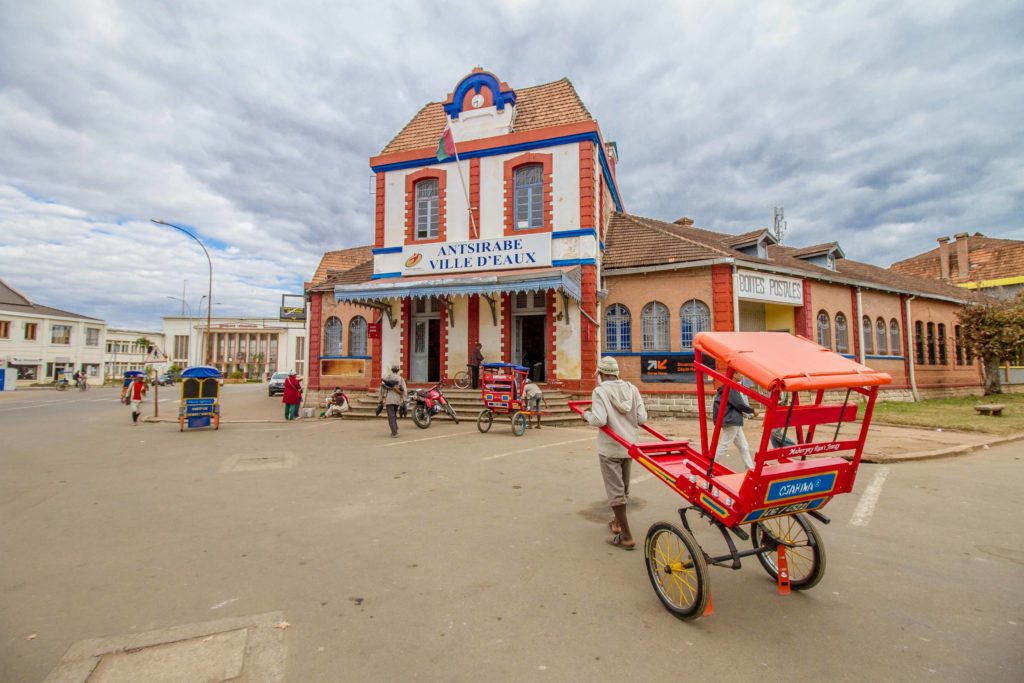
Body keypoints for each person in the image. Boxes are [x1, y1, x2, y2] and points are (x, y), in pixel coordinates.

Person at [583, 356, 648, 551]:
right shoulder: (632, 389)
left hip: (610, 448)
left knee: (615, 490)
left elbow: (599, 420)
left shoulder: (600, 391)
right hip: (629, 446)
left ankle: (626, 536)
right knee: (623, 487)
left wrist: (585, 414)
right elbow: (642, 418)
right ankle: (617, 522)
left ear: (601, 373)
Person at [712, 378, 758, 470]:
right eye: (738, 373)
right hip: (731, 420)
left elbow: (735, 405)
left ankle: (751, 468)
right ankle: (710, 466)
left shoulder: (726, 387)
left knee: (743, 446)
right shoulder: (731, 387)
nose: (741, 376)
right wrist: (752, 410)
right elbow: (739, 404)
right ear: (734, 374)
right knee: (724, 445)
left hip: (731, 419)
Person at [378, 364, 407, 438]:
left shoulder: (387, 377)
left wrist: (380, 400)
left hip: (389, 399)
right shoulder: (401, 379)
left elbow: (382, 389)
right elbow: (404, 391)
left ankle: (394, 432)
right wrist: (404, 400)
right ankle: (395, 428)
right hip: (397, 400)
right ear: (398, 371)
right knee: (394, 414)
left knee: (391, 416)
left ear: (392, 370)